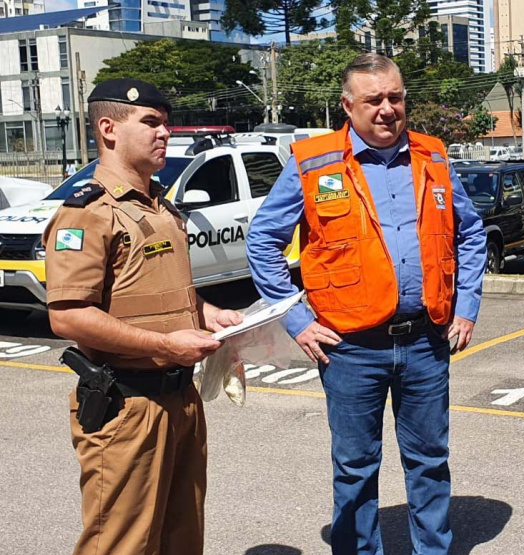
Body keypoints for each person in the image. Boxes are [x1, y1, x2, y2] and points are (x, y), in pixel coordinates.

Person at [246, 53, 486, 555]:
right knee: (355, 467)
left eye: (395, 98)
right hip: (349, 347)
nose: (386, 109)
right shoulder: (313, 161)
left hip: (426, 341)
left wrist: (466, 306)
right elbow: (263, 241)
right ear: (347, 105)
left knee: (429, 462)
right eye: (373, 100)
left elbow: (470, 233)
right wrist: (297, 320)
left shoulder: (433, 156)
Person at [43, 78, 242, 555]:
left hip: (180, 400)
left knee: (181, 539)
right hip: (126, 406)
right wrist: (165, 346)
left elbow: (160, 296)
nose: (164, 134)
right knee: (121, 544)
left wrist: (209, 315)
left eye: (165, 124)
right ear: (108, 129)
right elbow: (68, 317)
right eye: (150, 123)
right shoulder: (86, 214)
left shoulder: (161, 206)